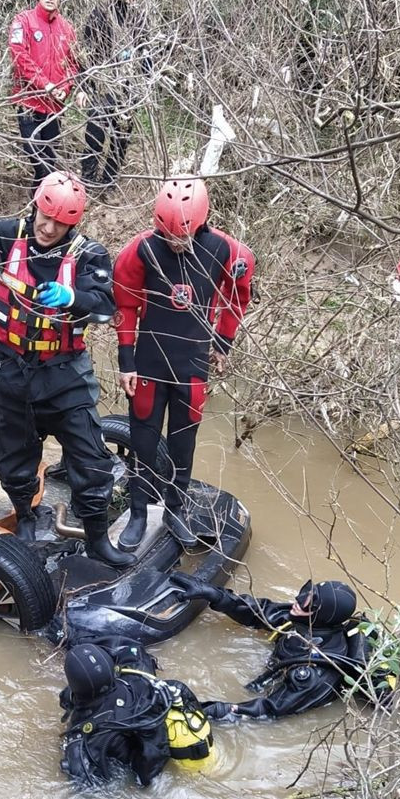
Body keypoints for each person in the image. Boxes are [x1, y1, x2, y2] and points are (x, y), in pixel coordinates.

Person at [0, 145, 134, 569]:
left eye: (60, 222)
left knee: (92, 461)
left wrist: (72, 297)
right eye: (44, 216)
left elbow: (107, 305)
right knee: (14, 457)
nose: (48, 228)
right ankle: (28, 517)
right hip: (9, 372)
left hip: (64, 376)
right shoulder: (6, 234)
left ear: (74, 223)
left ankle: (96, 538)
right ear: (35, 206)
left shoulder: (89, 254)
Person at [113, 177, 255, 550]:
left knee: (183, 440)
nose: (176, 244)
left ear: (201, 222)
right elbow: (125, 305)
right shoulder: (141, 250)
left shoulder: (226, 251)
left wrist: (223, 342)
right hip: (149, 360)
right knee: (142, 438)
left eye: (183, 237)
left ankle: (175, 508)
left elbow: (239, 296)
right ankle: (140, 511)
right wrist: (125, 360)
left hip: (192, 360)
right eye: (170, 236)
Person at [169, 575, 396, 720]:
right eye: (305, 593)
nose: (297, 601)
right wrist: (216, 595)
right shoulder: (302, 619)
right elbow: (259, 613)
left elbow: (271, 708)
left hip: (291, 684)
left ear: (321, 616)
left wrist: (220, 710)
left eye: (308, 603)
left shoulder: (315, 673)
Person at [60, 640, 215, 786]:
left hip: (145, 775)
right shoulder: (141, 682)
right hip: (193, 759)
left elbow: (86, 787)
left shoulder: (89, 735)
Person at [79, 0, 151, 191]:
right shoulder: (100, 14)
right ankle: (88, 182)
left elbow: (145, 53)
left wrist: (146, 86)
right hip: (104, 86)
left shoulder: (139, 18)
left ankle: (109, 183)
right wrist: (83, 86)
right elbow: (87, 54)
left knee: (121, 138)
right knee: (95, 134)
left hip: (130, 88)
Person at [8, 0, 80, 192]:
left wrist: (66, 88)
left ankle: (39, 209)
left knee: (48, 162)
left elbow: (73, 64)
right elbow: (18, 55)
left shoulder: (68, 29)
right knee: (36, 155)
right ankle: (40, 207)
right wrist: (45, 84)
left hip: (54, 108)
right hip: (28, 102)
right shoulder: (23, 20)